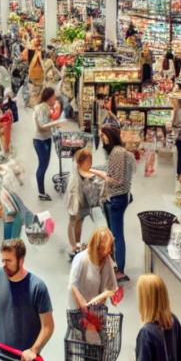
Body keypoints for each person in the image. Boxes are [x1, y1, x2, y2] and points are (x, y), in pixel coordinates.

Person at [101, 125, 137, 284]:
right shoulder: (123, 152)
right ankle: (116, 266)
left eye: (103, 136)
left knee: (116, 236)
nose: (102, 139)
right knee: (115, 235)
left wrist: (98, 174)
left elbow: (116, 179)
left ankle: (120, 270)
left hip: (116, 198)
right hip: (123, 196)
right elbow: (131, 170)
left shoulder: (116, 153)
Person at [66, 148, 110, 259]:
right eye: (87, 161)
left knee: (96, 223)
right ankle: (75, 245)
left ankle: (94, 245)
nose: (89, 164)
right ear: (80, 162)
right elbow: (72, 191)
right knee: (76, 222)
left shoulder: (89, 171)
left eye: (90, 161)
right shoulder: (75, 175)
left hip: (89, 202)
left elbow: (96, 175)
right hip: (78, 202)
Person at [68, 226, 119, 313]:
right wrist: (83, 305)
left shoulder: (106, 260)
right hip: (77, 310)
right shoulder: (81, 259)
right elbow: (72, 286)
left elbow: (111, 287)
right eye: (106, 248)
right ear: (97, 246)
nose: (109, 250)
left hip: (95, 310)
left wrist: (111, 297)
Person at [33, 88, 65, 201]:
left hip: (44, 138)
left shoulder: (44, 107)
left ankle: (41, 191)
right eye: (54, 96)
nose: (55, 98)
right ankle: (41, 193)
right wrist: (55, 124)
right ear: (49, 97)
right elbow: (42, 125)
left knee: (44, 164)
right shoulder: (42, 108)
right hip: (41, 140)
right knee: (42, 165)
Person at [0, 160, 32, 241]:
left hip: (7, 196)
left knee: (9, 218)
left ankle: (8, 246)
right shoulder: (12, 178)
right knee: (14, 219)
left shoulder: (5, 177)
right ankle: (12, 246)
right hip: (12, 199)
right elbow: (21, 181)